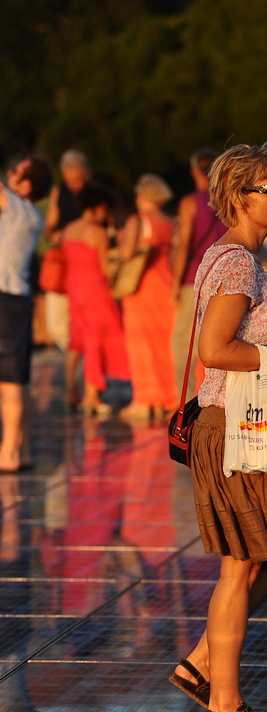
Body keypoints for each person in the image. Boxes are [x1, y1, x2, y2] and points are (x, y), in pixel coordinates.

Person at [169, 143, 267, 712]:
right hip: (234, 428)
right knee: (241, 563)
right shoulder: (236, 262)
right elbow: (215, 350)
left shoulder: (244, 259)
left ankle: (200, 663)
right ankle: (224, 699)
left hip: (250, 426)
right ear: (240, 198)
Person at [0, 157, 53, 472]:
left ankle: (8, 454)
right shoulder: (30, 213)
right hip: (16, 302)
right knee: (18, 380)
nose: (9, 174)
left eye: (16, 172)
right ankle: (21, 449)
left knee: (9, 383)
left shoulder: (19, 209)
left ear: (28, 184)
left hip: (5, 300)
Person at [63, 184, 129, 415]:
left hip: (74, 288)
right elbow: (105, 267)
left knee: (76, 341)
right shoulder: (97, 233)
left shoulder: (69, 229)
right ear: (98, 206)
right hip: (95, 290)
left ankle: (71, 392)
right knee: (95, 340)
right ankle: (91, 396)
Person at [119, 174, 178, 419]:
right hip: (166, 285)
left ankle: (145, 399)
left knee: (141, 344)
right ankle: (168, 396)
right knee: (165, 344)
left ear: (143, 195)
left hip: (141, 287)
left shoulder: (138, 220)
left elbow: (127, 253)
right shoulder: (170, 221)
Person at [171, 148, 226, 401]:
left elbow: (184, 245)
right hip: (224, 278)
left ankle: (184, 400)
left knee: (184, 342)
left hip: (195, 278)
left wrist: (175, 282)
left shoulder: (190, 202)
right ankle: (216, 398)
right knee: (219, 340)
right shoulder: (228, 199)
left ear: (194, 171)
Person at [44, 149, 92, 409]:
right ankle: (78, 363)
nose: (74, 185)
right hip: (63, 264)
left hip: (86, 265)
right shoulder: (58, 192)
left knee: (84, 326)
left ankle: (82, 382)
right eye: (69, 180)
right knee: (56, 326)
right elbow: (49, 225)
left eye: (78, 179)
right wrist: (53, 235)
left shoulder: (95, 193)